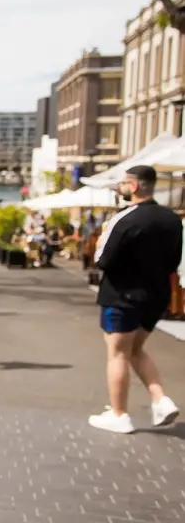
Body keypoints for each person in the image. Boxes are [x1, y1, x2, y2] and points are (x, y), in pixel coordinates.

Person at [89, 164, 180, 434]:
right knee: (135, 350)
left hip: (122, 295)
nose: (121, 187)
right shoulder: (171, 220)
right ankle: (160, 400)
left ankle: (119, 414)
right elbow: (174, 261)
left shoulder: (125, 218)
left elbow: (102, 259)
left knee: (117, 352)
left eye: (124, 183)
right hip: (155, 296)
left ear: (135, 186)